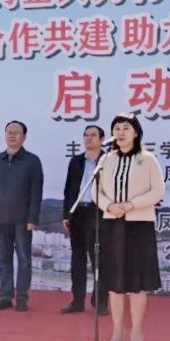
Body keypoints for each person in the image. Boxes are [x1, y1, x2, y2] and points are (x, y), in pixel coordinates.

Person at [96, 113, 164, 341]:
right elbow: (95, 190)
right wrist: (108, 206)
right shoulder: (106, 159)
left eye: (126, 128)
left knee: (136, 282)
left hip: (139, 225)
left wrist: (131, 205)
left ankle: (136, 330)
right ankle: (117, 330)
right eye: (116, 128)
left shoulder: (147, 159)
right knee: (114, 282)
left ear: (136, 132)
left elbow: (158, 191)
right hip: (112, 223)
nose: (121, 132)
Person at [0, 121, 44, 312]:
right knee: (3, 259)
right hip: (0, 218)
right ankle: (5, 297)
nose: (12, 135)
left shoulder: (32, 161)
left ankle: (22, 298)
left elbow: (36, 192)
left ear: (24, 137)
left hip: (22, 219)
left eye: (16, 133)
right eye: (9, 132)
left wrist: (33, 218)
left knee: (24, 260)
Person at [60, 125, 108, 315]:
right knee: (77, 260)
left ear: (102, 139)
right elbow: (68, 190)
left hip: (98, 214)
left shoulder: (109, 161)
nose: (88, 138)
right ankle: (77, 301)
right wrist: (66, 214)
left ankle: (100, 302)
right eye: (86, 135)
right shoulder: (76, 161)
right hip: (77, 214)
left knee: (99, 261)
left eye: (93, 135)